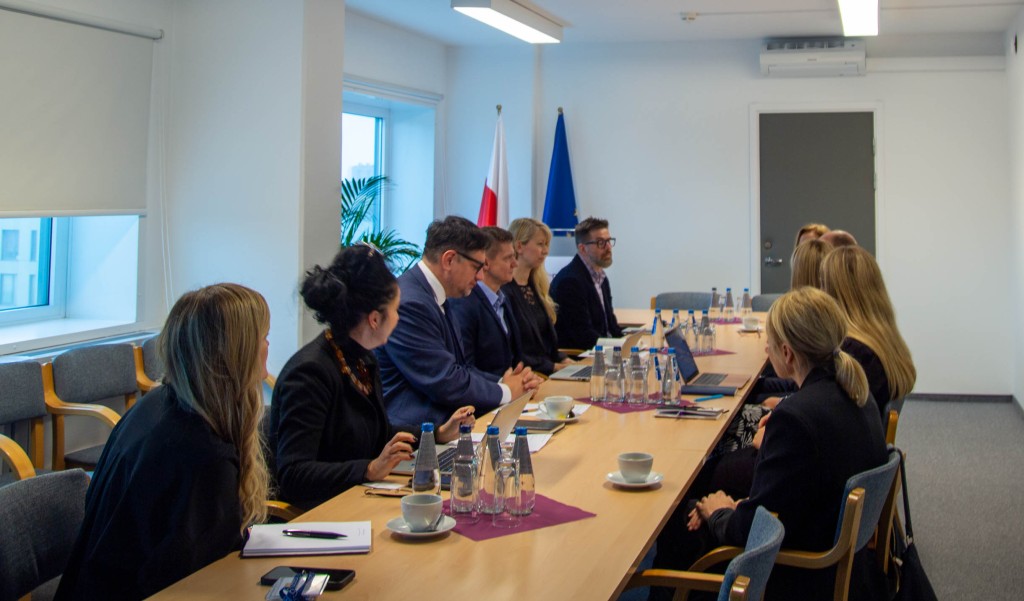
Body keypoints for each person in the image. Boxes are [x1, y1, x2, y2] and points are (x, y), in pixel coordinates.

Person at [652, 287, 888, 601]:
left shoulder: (795, 418)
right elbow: (781, 499)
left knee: (680, 519)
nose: (766, 348)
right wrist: (741, 506)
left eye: (770, 343)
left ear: (787, 353)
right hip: (830, 548)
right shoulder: (857, 393)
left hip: (795, 572)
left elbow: (751, 530)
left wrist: (719, 512)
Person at [56, 284, 272, 600]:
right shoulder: (203, 456)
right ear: (237, 353)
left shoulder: (156, 404)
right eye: (263, 337)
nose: (268, 345)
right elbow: (195, 584)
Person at [270, 245, 476, 509]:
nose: (399, 318)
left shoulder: (363, 359)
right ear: (375, 319)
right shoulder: (310, 374)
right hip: (323, 512)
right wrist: (368, 469)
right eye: (396, 309)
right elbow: (294, 475)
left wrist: (437, 433)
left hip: (356, 498)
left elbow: (375, 433)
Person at [378, 216, 540, 427]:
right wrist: (507, 391)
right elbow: (443, 380)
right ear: (449, 260)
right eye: (477, 267)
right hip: (419, 434)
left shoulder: (437, 295)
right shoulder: (410, 303)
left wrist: (505, 382)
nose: (480, 277)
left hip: (449, 424)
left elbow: (461, 368)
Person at [820, 246, 916, 422]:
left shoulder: (853, 352)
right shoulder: (882, 339)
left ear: (835, 292)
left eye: (823, 284)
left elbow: (827, 414)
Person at [448, 227, 524, 379]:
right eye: (508, 258)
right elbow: (465, 367)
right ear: (486, 263)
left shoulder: (504, 298)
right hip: (486, 391)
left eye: (514, 257)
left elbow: (515, 357)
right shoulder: (464, 303)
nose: (515, 264)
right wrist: (504, 384)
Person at [503, 217, 574, 375]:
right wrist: (554, 367)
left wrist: (564, 360)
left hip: (549, 371)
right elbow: (517, 352)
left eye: (546, 245)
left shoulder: (536, 286)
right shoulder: (504, 292)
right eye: (540, 244)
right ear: (519, 246)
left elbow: (546, 344)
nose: (546, 251)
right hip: (531, 375)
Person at [550, 217, 623, 350]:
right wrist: (617, 346)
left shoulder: (601, 277)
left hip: (603, 350)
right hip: (583, 355)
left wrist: (628, 343)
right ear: (582, 248)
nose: (608, 247)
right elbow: (582, 336)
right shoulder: (569, 282)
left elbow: (611, 325)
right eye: (601, 243)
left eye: (609, 241)